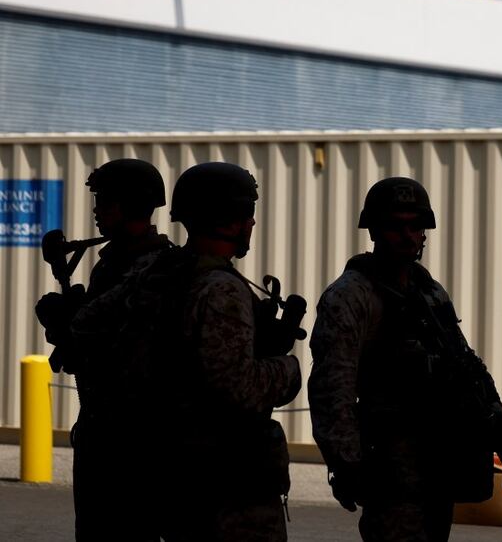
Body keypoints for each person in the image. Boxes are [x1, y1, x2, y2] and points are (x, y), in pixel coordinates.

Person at [309, 176, 502, 541]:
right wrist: (348, 465)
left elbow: (469, 373)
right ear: (374, 230)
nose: (407, 236)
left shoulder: (429, 292)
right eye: (395, 226)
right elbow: (331, 389)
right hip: (391, 476)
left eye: (415, 226)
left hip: (438, 469)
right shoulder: (351, 296)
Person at [140, 161, 302, 541]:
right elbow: (238, 386)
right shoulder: (221, 290)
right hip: (228, 489)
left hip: (179, 476)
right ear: (229, 220)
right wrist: (288, 369)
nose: (252, 225)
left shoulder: (161, 273)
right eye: (248, 215)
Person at [35, 158, 171, 541]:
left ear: (130, 205)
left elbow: (135, 352)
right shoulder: (113, 263)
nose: (96, 210)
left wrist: (76, 325)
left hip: (134, 442)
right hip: (105, 431)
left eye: (105, 201)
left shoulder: (155, 267)